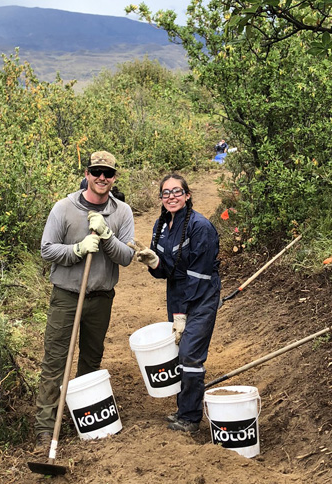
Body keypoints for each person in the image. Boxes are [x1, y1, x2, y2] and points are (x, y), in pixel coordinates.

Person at [34, 151, 135, 451]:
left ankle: (83, 416)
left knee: (91, 360)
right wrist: (77, 249)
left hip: (101, 297)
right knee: (55, 361)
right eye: (97, 172)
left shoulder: (122, 212)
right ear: (87, 174)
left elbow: (127, 257)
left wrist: (107, 236)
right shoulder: (64, 208)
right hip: (67, 296)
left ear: (114, 177)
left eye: (108, 173)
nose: (102, 177)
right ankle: (45, 428)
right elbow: (47, 250)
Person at [129, 174, 221, 433]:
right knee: (179, 353)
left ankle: (190, 419)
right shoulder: (161, 225)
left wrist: (183, 312)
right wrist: (154, 262)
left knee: (190, 355)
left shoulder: (200, 227)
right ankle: (184, 410)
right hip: (177, 295)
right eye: (166, 193)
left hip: (201, 295)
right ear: (161, 198)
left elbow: (199, 274)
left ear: (187, 195)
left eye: (177, 191)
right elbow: (166, 271)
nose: (171, 197)